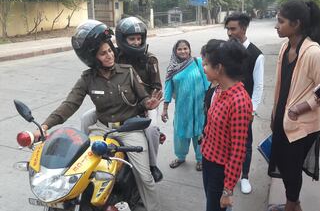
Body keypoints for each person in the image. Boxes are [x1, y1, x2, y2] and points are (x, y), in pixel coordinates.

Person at [35, 20, 162, 211]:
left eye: (110, 50)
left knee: (144, 177)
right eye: (103, 53)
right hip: (102, 130)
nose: (110, 55)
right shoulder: (87, 78)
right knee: (82, 169)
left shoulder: (127, 71)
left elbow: (143, 98)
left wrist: (149, 103)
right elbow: (70, 104)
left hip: (129, 129)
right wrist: (45, 126)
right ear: (93, 58)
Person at [80, 16, 164, 182]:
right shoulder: (115, 55)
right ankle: (83, 154)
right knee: (85, 118)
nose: (136, 42)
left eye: (139, 38)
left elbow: (157, 86)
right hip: (118, 102)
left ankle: (152, 165)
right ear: (121, 39)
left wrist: (148, 102)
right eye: (131, 38)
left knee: (152, 129)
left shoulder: (149, 59)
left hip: (144, 104)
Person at [268, 0, 320, 211]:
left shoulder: (313, 52)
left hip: (300, 125)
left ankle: (290, 206)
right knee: (285, 168)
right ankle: (294, 205)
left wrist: (299, 108)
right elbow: (281, 85)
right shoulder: (286, 47)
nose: (276, 26)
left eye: (280, 21)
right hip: (283, 120)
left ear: (295, 24)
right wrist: (275, 112)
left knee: (292, 170)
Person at [201, 39, 253, 211]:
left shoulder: (239, 101)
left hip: (220, 170)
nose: (203, 66)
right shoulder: (219, 89)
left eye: (207, 63)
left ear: (219, 68)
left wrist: (227, 190)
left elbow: (238, 151)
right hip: (208, 159)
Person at [224, 12, 265, 194]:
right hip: (225, 105)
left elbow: (259, 86)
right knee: (226, 141)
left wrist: (252, 110)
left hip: (244, 109)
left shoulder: (256, 55)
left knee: (245, 143)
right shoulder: (226, 49)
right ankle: (227, 172)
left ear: (243, 28)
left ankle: (245, 176)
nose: (230, 33)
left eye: (233, 29)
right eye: (227, 29)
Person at [161, 39, 209, 171]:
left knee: (199, 131)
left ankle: (200, 159)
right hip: (182, 108)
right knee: (180, 132)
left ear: (189, 49)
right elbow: (168, 89)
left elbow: (207, 84)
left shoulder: (197, 62)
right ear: (175, 51)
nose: (183, 51)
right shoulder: (172, 68)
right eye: (180, 49)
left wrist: (209, 104)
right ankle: (181, 157)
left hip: (200, 107)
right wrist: (164, 109)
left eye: (185, 48)